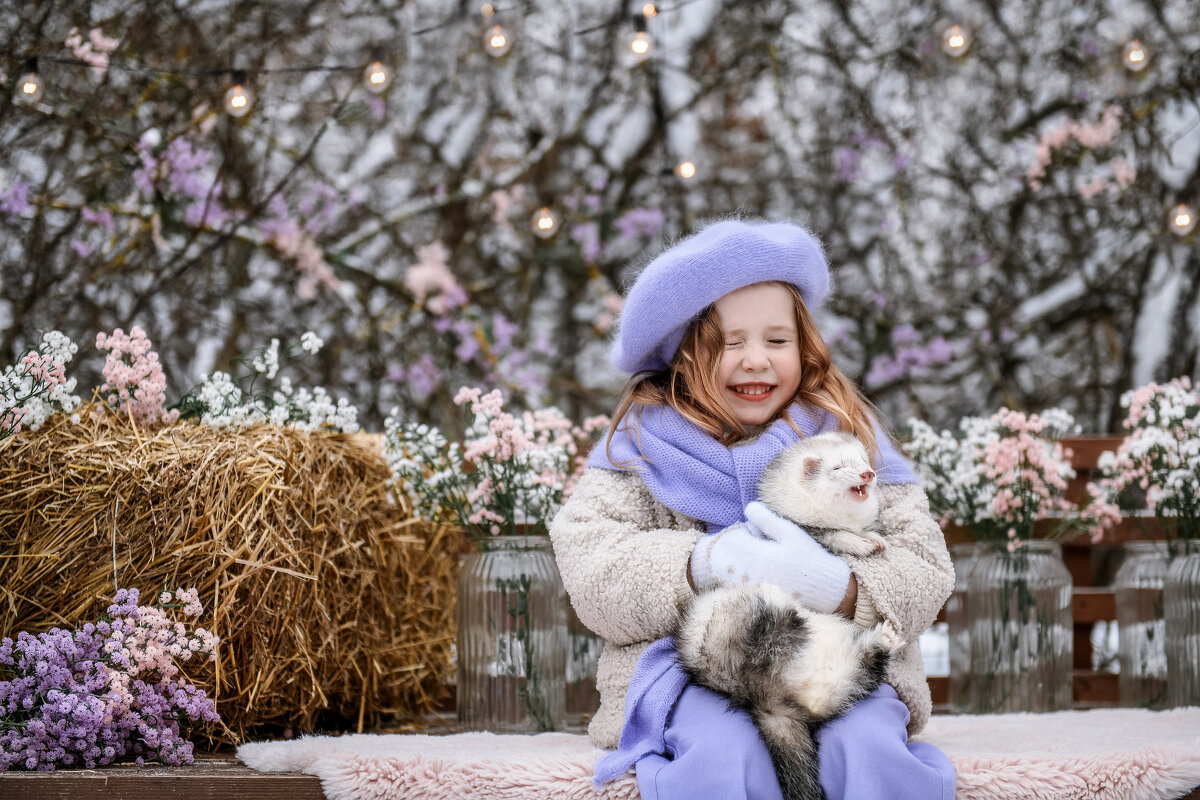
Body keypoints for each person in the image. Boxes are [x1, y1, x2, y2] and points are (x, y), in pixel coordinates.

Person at [549, 218, 956, 800]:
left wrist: (840, 586)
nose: (756, 360)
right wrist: (704, 562)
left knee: (865, 750)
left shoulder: (848, 440)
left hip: (840, 667)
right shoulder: (639, 448)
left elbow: (924, 565)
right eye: (728, 343)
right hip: (693, 673)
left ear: (804, 345)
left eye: (776, 340)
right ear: (683, 357)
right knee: (725, 754)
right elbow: (594, 572)